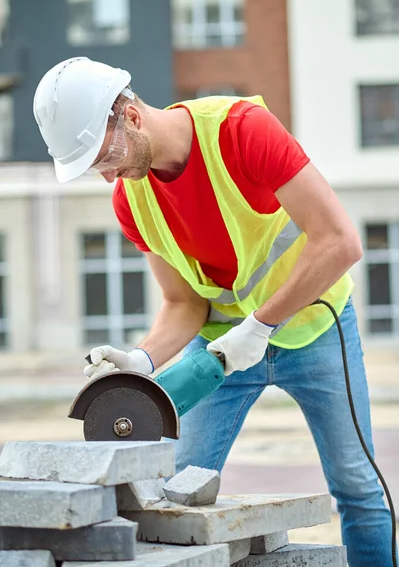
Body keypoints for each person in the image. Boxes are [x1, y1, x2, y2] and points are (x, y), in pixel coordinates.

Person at [33, 57, 393, 567]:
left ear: (130, 116)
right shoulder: (130, 202)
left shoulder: (243, 131)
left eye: (102, 155)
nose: (106, 173)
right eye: (92, 166)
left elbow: (339, 241)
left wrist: (262, 324)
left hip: (317, 327)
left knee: (357, 485)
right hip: (225, 350)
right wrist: (143, 361)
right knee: (174, 494)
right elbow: (184, 304)